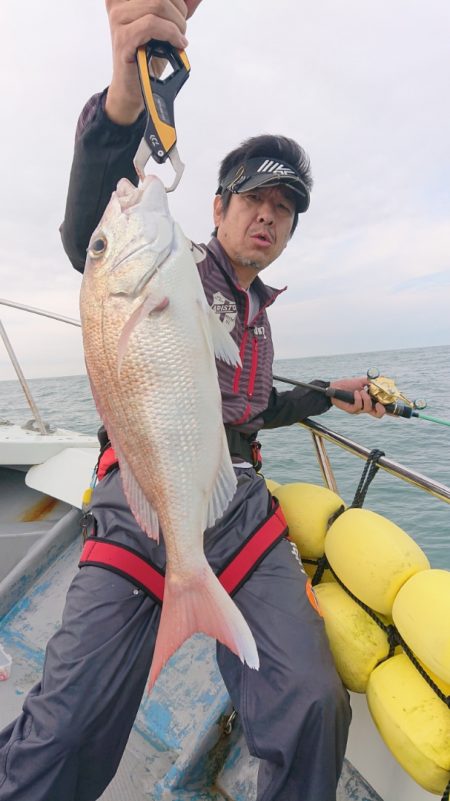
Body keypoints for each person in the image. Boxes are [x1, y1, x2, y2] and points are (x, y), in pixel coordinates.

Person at [0, 2, 386, 800]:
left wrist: (329, 393)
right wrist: (122, 99)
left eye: (285, 212)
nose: (269, 217)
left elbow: (250, 407)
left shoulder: (255, 315)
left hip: (238, 501)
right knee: (65, 726)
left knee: (314, 703)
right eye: (255, 200)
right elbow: (89, 238)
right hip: (143, 488)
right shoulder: (178, 269)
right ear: (217, 208)